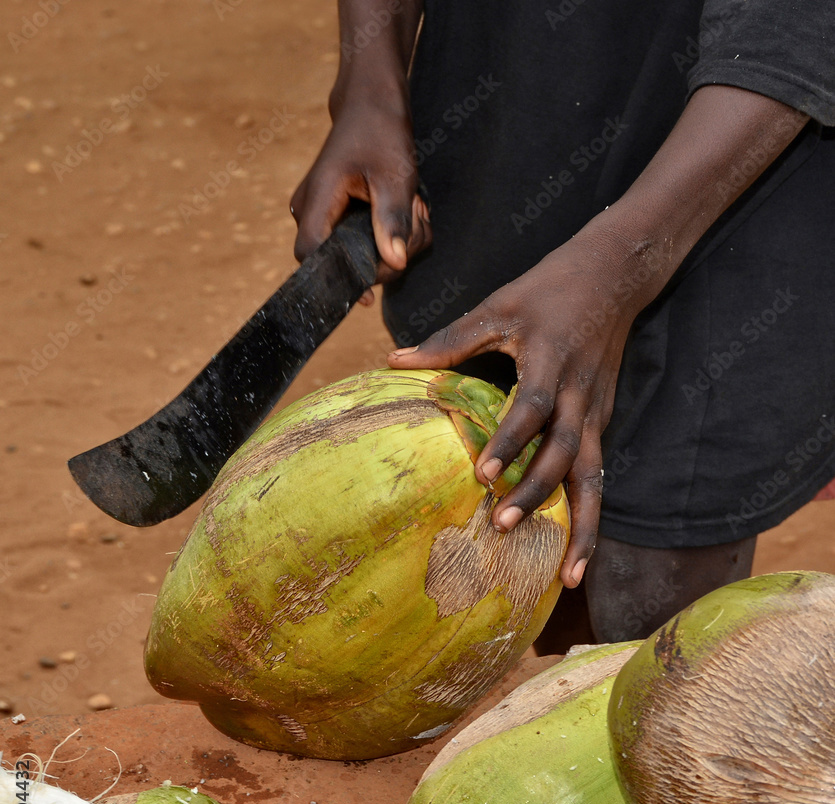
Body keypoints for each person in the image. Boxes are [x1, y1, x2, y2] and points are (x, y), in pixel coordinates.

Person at [290, 0, 835, 645]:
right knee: (503, 529)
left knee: (644, 609)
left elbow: (788, 32)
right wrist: (368, 83)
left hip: (722, 187)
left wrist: (619, 266)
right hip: (507, 129)